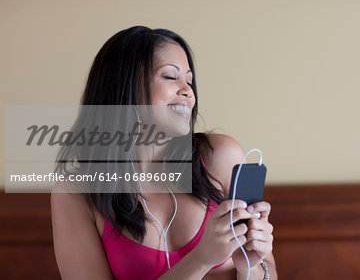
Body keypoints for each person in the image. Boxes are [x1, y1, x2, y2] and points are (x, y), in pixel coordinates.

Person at [51, 26, 277, 279]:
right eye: (171, 77)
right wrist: (201, 259)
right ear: (124, 86)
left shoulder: (220, 156)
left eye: (189, 80)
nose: (188, 92)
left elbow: (269, 272)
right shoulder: (76, 194)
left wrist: (250, 266)